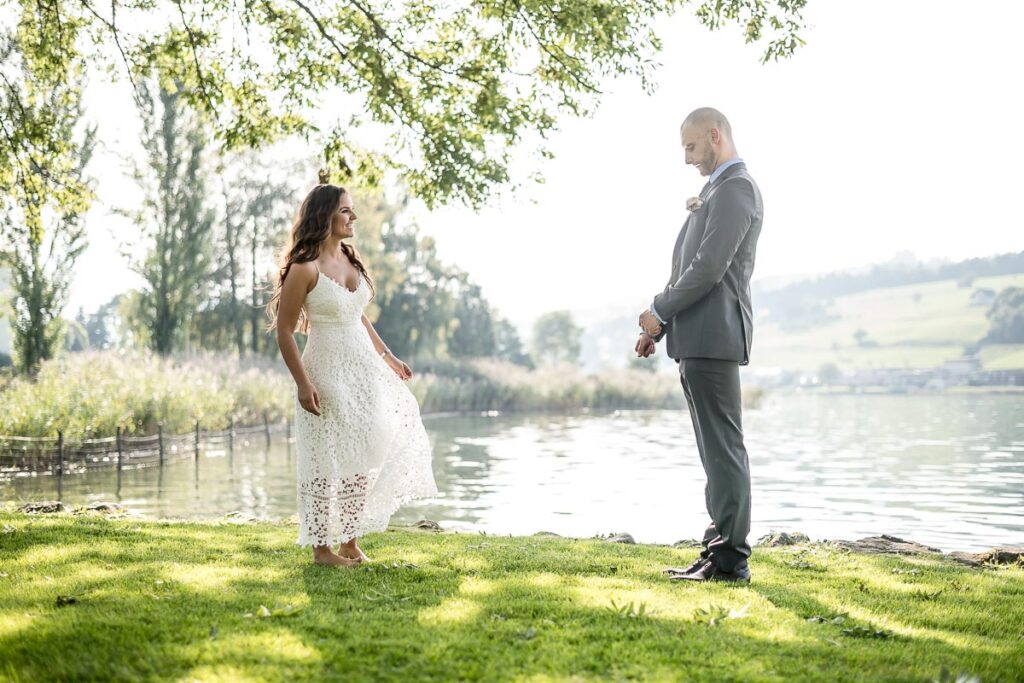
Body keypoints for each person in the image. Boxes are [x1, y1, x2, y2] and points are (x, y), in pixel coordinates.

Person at [267, 173, 437, 566]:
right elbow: (285, 331)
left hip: (363, 370)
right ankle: (322, 549)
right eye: (346, 210)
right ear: (326, 215)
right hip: (325, 369)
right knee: (326, 458)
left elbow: (357, 317)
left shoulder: (348, 259)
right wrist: (302, 383)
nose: (354, 216)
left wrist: (389, 358)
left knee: (364, 451)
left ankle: (349, 540)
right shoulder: (304, 267)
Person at [636, 107, 764, 583]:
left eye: (691, 147)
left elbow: (709, 269)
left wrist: (660, 310)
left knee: (724, 449)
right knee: (714, 452)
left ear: (715, 135)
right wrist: (656, 327)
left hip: (715, 338)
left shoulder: (737, 188)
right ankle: (717, 550)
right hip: (697, 338)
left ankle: (731, 560)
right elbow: (689, 267)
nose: (687, 158)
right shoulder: (718, 190)